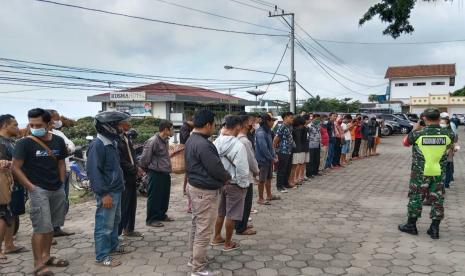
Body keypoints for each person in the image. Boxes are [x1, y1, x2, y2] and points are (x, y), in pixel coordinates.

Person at [12, 108, 69, 275]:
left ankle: (46, 256)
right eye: (31, 124)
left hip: (56, 189)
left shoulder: (58, 141)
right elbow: (15, 167)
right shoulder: (24, 143)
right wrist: (30, 186)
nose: (34, 127)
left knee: (51, 226)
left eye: (38, 124)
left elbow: (60, 163)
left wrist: (61, 182)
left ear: (49, 124)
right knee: (41, 228)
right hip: (38, 190)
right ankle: (38, 265)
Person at [185, 109, 231, 276]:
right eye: (213, 125)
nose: (214, 128)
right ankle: (198, 268)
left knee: (197, 225)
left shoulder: (192, 139)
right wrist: (227, 176)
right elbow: (216, 169)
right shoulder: (204, 144)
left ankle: (194, 258)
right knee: (203, 230)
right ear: (207, 125)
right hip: (204, 191)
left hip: (195, 187)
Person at [398, 108, 455, 240]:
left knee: (416, 196)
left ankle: (411, 225)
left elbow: (405, 143)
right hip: (438, 171)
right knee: (438, 198)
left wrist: (414, 128)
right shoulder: (448, 134)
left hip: (420, 172)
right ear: (439, 118)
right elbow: (450, 144)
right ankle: (434, 228)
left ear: (424, 118)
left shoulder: (418, 133)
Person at [86, 111, 131, 267]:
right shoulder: (98, 145)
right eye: (119, 125)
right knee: (104, 225)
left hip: (116, 189)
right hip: (107, 192)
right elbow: (94, 172)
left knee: (114, 222)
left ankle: (113, 246)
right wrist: (104, 193)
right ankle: (101, 256)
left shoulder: (112, 142)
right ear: (109, 127)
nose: (122, 127)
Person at [211, 116, 249, 252]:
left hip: (221, 182)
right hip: (235, 183)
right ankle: (228, 243)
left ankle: (216, 237)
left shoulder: (216, 142)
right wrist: (243, 184)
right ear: (238, 126)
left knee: (221, 212)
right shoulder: (238, 145)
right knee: (232, 215)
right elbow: (243, 168)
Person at [0, 114, 28, 258]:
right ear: (5, 125)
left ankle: (9, 244)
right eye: (14, 125)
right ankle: (5, 247)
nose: (18, 127)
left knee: (11, 214)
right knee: (4, 214)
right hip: (5, 185)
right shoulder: (1, 143)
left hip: (15, 184)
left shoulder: (10, 141)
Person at [46, 110, 76, 238]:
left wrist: (67, 148)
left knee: (62, 200)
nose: (58, 122)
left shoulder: (58, 133)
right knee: (52, 202)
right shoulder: (41, 137)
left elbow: (71, 145)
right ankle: (48, 230)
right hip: (53, 173)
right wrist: (64, 149)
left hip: (65, 170)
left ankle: (57, 227)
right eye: (56, 119)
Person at [139, 120, 174, 228]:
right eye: (171, 128)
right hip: (155, 173)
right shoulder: (153, 141)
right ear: (165, 130)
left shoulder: (165, 140)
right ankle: (151, 219)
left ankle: (161, 215)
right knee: (154, 197)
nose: (173, 131)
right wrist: (148, 171)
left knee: (164, 195)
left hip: (165, 172)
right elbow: (145, 158)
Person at [117, 117, 144, 237]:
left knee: (132, 203)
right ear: (121, 124)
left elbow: (132, 155)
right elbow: (121, 160)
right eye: (128, 122)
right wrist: (134, 168)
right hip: (124, 176)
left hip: (132, 174)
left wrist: (137, 166)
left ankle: (129, 229)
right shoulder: (116, 139)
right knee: (125, 204)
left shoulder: (126, 136)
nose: (130, 124)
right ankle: (120, 231)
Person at [235, 114, 259, 236]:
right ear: (245, 124)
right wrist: (257, 171)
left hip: (236, 176)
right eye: (252, 121)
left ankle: (240, 224)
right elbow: (251, 160)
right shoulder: (244, 141)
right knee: (246, 203)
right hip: (245, 176)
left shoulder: (237, 138)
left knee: (240, 202)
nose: (254, 124)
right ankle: (241, 228)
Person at [255, 113, 279, 205]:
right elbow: (263, 148)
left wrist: (274, 155)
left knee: (269, 178)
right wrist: (272, 158)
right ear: (267, 121)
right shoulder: (261, 132)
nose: (273, 122)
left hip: (269, 159)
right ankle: (260, 198)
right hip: (263, 160)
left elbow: (271, 146)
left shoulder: (268, 131)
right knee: (262, 179)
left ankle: (269, 195)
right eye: (271, 120)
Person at [273, 112, 294, 193]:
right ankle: (279, 186)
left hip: (289, 150)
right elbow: (276, 139)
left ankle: (286, 183)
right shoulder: (282, 126)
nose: (292, 119)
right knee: (281, 169)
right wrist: (274, 150)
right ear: (285, 118)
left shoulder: (289, 127)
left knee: (288, 168)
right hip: (282, 151)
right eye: (291, 117)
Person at [290, 116, 307, 186]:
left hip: (299, 149)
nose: (302, 126)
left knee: (296, 165)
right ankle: (292, 180)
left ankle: (294, 179)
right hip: (294, 150)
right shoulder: (293, 129)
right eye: (301, 125)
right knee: (293, 167)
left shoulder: (299, 129)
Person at [180, 116, 194, 197]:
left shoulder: (187, 127)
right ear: (189, 121)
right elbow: (186, 139)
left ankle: (185, 189)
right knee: (187, 171)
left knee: (187, 171)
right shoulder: (185, 127)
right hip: (186, 149)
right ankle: (185, 189)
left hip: (187, 149)